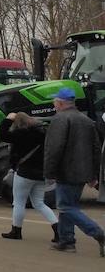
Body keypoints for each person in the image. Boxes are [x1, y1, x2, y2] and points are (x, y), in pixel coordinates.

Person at [42, 88, 105, 255]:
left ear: (61, 102)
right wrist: (93, 175)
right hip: (83, 172)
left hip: (66, 171)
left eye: (55, 101)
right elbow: (96, 149)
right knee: (69, 205)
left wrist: (49, 171)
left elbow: (54, 149)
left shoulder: (60, 119)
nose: (53, 104)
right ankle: (67, 241)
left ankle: (98, 233)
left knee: (66, 206)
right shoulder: (86, 120)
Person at [0, 112, 56, 240]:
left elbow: (2, 135)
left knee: (18, 202)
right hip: (41, 173)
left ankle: (16, 231)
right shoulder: (43, 134)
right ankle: (57, 229)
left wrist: (7, 120)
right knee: (39, 203)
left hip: (24, 173)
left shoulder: (20, 134)